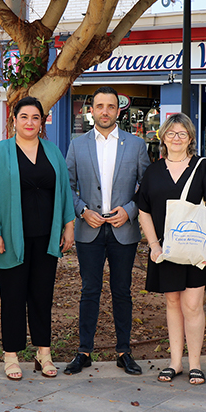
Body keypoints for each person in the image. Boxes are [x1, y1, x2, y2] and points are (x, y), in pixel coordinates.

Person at [0, 96, 75, 380]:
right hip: (9, 240)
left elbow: (64, 191)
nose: (30, 122)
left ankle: (44, 353)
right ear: (14, 120)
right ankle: (11, 355)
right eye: (24, 117)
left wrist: (68, 226)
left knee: (42, 297)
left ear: (42, 122)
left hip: (46, 238)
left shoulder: (52, 152)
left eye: (35, 117)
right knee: (13, 297)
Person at [64, 87, 150, 375]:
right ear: (91, 111)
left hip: (123, 229)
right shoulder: (77, 145)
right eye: (99, 106)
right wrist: (82, 211)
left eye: (110, 106)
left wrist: (129, 210)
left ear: (118, 110)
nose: (105, 111)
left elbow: (146, 187)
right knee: (89, 290)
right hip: (88, 229)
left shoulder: (136, 145)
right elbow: (67, 186)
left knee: (122, 291)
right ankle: (83, 352)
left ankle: (124, 351)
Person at [137, 113, 206, 386]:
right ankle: (175, 362)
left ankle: (195, 364)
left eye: (182, 133)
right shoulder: (153, 171)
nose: (176, 138)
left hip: (196, 247)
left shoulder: (203, 167)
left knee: (193, 305)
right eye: (171, 133)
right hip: (165, 250)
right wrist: (153, 245)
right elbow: (143, 210)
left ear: (190, 139)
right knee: (173, 303)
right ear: (163, 137)